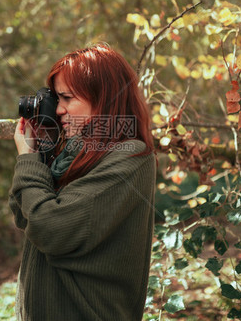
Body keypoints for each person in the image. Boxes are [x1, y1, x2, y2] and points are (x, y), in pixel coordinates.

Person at [9, 44, 156, 321]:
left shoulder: (130, 156)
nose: (59, 110)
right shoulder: (74, 152)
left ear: (103, 99)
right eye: (57, 99)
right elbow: (23, 214)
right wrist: (40, 151)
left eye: (66, 98)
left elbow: (48, 227)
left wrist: (28, 161)